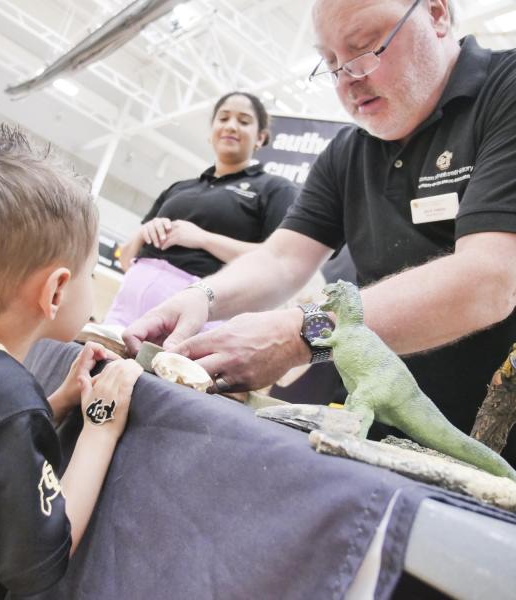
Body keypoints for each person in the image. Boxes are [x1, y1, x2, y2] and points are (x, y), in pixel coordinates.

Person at [124, 0, 516, 465]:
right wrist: (202, 297)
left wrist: (301, 333)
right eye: (330, 63)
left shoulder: (504, 90)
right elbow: (282, 259)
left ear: (435, 14)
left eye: (366, 46)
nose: (347, 77)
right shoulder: (348, 152)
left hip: (497, 435)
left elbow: (489, 280)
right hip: (383, 425)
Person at [0, 125, 143, 598]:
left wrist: (54, 404)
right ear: (56, 290)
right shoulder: (8, 405)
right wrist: (100, 426)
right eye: (91, 271)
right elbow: (43, 556)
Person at [103, 91, 298, 329]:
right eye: (223, 118)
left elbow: (273, 262)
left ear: (260, 137)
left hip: (197, 317)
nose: (231, 126)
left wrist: (203, 239)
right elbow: (125, 258)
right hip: (123, 310)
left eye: (244, 121)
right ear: (211, 132)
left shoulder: (275, 189)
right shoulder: (179, 188)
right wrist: (144, 232)